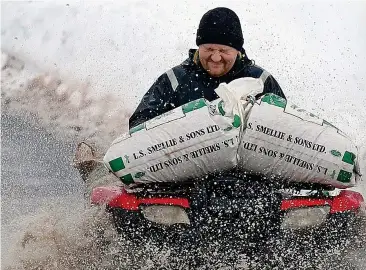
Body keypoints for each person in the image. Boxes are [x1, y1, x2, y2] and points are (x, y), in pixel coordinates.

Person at [74, 7, 285, 178]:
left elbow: (283, 129)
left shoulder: (261, 81)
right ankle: (96, 173)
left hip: (248, 180)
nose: (216, 57)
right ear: (199, 46)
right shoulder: (175, 80)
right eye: (209, 49)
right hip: (182, 177)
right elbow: (140, 123)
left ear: (238, 51)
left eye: (224, 51)